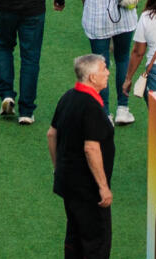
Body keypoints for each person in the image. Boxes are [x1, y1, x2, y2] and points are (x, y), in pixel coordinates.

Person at [49, 51, 117, 259]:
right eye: (104, 69)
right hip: (88, 189)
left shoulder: (68, 97)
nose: (108, 73)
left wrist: (58, 168)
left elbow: (51, 134)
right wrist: (103, 187)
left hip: (69, 184)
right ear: (92, 77)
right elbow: (91, 148)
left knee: (74, 239)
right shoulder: (91, 106)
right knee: (96, 243)